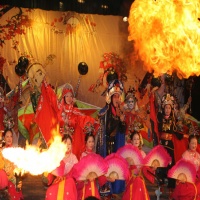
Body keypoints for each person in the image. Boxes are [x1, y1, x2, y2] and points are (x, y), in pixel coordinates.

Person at [96, 79, 126, 195]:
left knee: (115, 167)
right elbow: (108, 128)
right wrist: (118, 119)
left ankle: (114, 189)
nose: (117, 99)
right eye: (115, 97)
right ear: (110, 98)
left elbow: (122, 131)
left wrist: (122, 122)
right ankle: (106, 189)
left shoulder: (119, 111)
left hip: (115, 144)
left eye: (118, 97)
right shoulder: (105, 112)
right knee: (107, 167)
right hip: (106, 144)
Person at [157, 93, 188, 197]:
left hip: (170, 145)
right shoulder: (160, 118)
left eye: (169, 108)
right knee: (161, 165)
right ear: (163, 108)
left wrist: (184, 135)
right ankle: (160, 186)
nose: (167, 110)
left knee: (171, 166)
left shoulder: (173, 120)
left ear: (171, 109)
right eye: (166, 108)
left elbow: (176, 132)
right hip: (162, 145)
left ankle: (171, 189)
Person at [58, 83, 99, 160]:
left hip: (73, 141)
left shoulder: (75, 111)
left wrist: (93, 122)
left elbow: (82, 119)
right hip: (61, 140)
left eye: (71, 96)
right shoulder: (59, 111)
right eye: (67, 96)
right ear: (63, 97)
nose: (69, 98)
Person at [45, 134, 78, 200]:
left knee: (68, 191)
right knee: (50, 192)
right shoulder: (57, 156)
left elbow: (77, 172)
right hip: (58, 180)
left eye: (69, 144)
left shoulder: (73, 157)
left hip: (69, 181)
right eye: (65, 143)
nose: (67, 146)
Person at [122, 131, 150, 200]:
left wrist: (153, 168)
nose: (136, 141)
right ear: (131, 141)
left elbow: (146, 168)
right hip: (131, 177)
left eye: (138, 139)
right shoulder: (128, 153)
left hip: (139, 178)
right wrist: (129, 162)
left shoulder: (142, 153)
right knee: (137, 181)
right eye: (134, 139)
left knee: (139, 181)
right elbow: (124, 168)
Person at [0, 129, 23, 200]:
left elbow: (19, 167)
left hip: (14, 181)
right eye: (7, 136)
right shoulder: (1, 151)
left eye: (11, 136)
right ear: (4, 138)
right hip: (4, 182)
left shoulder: (15, 150)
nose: (9, 138)